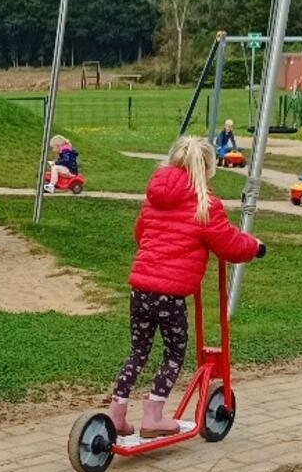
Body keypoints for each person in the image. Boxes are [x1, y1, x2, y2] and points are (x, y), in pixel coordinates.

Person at [108, 136, 264, 438]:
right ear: (206, 168)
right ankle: (154, 415)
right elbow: (229, 244)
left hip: (140, 289)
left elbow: (141, 234)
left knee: (138, 351)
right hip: (170, 296)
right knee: (174, 353)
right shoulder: (205, 204)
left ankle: (117, 413)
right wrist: (255, 247)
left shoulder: (154, 198)